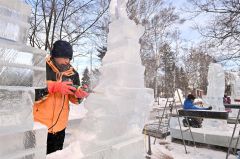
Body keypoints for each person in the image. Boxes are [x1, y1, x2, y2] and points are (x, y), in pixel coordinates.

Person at [33, 40, 88, 154]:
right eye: (64, 57)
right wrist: (54, 87)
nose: (67, 61)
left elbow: (75, 100)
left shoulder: (73, 74)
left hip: (59, 130)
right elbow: (30, 94)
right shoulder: (40, 68)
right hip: (37, 128)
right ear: (55, 56)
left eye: (69, 58)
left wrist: (77, 95)